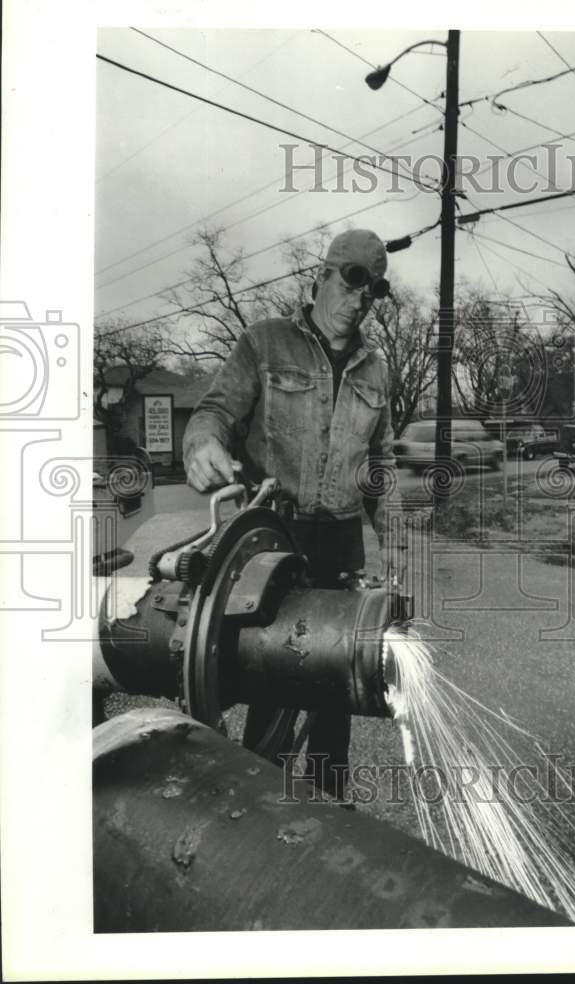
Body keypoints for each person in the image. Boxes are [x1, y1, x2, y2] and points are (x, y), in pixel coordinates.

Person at [182, 229, 397, 799]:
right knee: (271, 683)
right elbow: (215, 411)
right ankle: (257, 814)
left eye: (371, 293)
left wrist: (397, 545)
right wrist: (203, 443)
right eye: (350, 285)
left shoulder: (377, 369)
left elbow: (381, 468)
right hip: (273, 546)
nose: (359, 302)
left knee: (334, 691)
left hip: (340, 545)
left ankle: (328, 817)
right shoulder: (266, 343)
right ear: (320, 277)